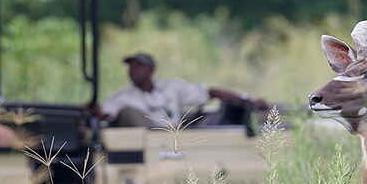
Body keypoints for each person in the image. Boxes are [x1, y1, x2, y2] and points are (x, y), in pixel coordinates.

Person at [100, 52, 269, 128]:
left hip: (178, 140)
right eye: (130, 67)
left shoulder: (172, 87)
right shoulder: (122, 98)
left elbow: (211, 92)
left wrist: (248, 100)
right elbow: (105, 113)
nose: (132, 71)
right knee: (129, 112)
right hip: (149, 145)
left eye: (138, 66)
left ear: (151, 70)